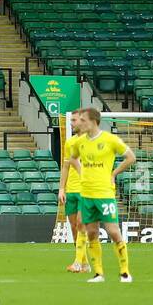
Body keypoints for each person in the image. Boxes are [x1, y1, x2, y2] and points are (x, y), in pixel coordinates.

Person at [67, 106, 136, 283]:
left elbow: (130, 157)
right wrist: (82, 172)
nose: (79, 123)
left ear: (93, 121)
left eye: (83, 120)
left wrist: (113, 173)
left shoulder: (110, 140)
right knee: (91, 233)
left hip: (104, 193)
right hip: (86, 194)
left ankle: (125, 272)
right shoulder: (78, 143)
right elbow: (72, 159)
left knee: (113, 231)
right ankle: (98, 273)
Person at [57, 109, 90, 274]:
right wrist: (62, 188)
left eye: (74, 120)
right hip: (71, 190)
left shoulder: (92, 141)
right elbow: (65, 166)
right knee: (73, 227)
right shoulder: (69, 143)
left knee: (80, 224)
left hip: (86, 190)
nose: (71, 123)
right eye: (71, 121)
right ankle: (84, 263)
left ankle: (78, 262)